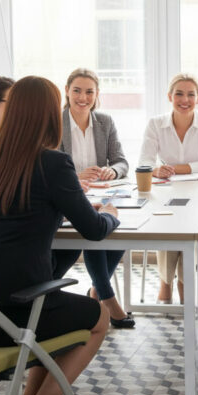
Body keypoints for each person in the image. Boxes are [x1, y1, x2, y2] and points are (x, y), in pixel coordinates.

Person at [0, 75, 117, 395]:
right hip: (13, 314)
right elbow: (93, 231)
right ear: (47, 116)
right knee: (97, 319)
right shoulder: (53, 163)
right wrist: (109, 214)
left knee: (57, 317)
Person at [59, 68, 132, 328]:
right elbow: (49, 167)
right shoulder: (54, 122)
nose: (83, 97)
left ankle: (96, 291)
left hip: (103, 193)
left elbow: (122, 161)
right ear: (66, 91)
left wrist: (112, 170)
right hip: (70, 197)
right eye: (77, 90)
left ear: (97, 94)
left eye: (89, 91)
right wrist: (76, 177)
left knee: (120, 230)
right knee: (94, 232)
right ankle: (109, 300)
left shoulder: (105, 122)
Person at [139, 73, 198, 304]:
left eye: (191, 94)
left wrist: (171, 167)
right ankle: (167, 281)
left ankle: (181, 282)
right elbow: (144, 161)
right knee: (167, 224)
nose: (185, 99)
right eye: (179, 94)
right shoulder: (156, 124)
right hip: (166, 191)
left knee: (189, 227)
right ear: (169, 96)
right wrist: (156, 170)